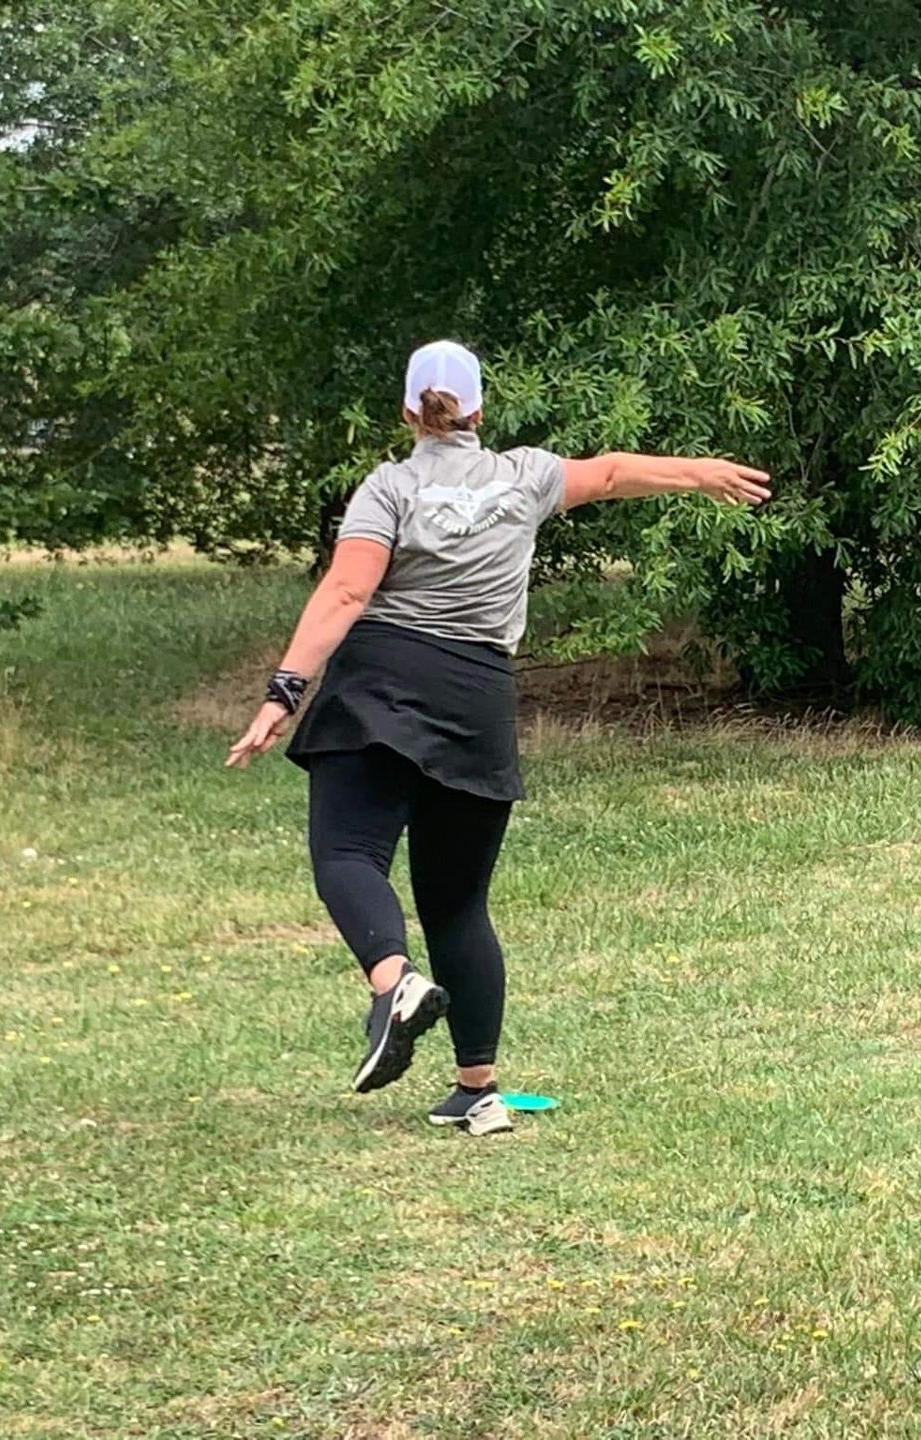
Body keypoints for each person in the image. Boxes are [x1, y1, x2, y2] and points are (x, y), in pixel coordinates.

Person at [225, 340, 770, 1135]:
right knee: (458, 901)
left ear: (410, 411)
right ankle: (477, 1088)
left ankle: (394, 983)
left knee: (347, 855)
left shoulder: (391, 486)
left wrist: (283, 693)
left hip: (380, 683)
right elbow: (613, 471)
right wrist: (703, 472)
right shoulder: (526, 476)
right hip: (477, 696)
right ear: (479, 409)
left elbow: (347, 588)